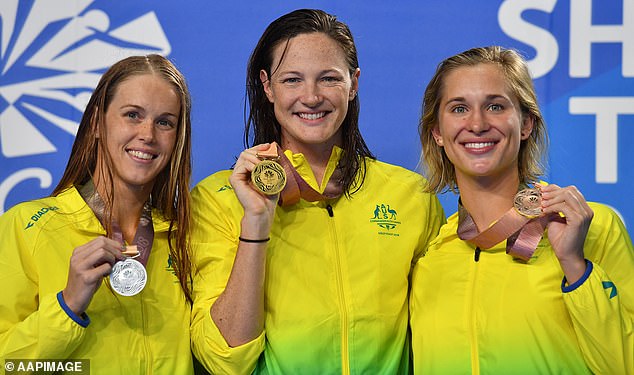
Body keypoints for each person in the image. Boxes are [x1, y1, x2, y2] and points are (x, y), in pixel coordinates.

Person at [190, 8, 445, 375]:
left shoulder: (411, 195)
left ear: (353, 83)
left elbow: (437, 339)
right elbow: (225, 360)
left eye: (328, 79)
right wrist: (257, 223)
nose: (310, 97)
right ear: (267, 86)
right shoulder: (217, 197)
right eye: (292, 79)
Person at [410, 46, 634, 374]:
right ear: (438, 133)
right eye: (459, 108)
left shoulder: (592, 227)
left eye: (496, 106)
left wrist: (575, 266)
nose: (477, 123)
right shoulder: (430, 256)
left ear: (526, 123)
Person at [0, 55, 196, 374]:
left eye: (165, 122)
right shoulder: (26, 226)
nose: (148, 134)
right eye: (132, 115)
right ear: (96, 124)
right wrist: (67, 306)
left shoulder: (185, 236)